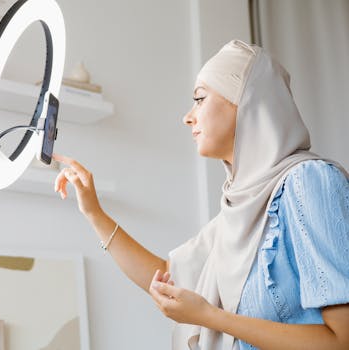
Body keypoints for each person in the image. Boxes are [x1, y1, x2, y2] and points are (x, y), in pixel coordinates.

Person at [52, 40, 349, 350]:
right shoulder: (239, 208)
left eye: (200, 99)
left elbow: (342, 341)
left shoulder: (309, 182)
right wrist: (94, 213)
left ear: (245, 100)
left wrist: (211, 317)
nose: (188, 117)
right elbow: (168, 276)